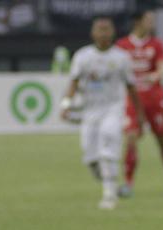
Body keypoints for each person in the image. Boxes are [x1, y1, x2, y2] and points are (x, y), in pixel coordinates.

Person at [61, 16, 142, 210]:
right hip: (90, 111)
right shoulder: (83, 56)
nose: (104, 33)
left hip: (113, 109)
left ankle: (109, 194)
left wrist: (139, 114)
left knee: (108, 144)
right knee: (90, 156)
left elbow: (131, 87)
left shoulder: (121, 58)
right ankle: (104, 176)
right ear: (93, 33)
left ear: (113, 32)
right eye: (100, 29)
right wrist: (65, 104)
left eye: (107, 29)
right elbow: (73, 82)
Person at [116, 9, 163, 197]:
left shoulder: (156, 45)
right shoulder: (122, 45)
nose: (151, 23)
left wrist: (156, 75)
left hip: (153, 100)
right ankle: (128, 183)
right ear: (138, 22)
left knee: (162, 141)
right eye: (148, 19)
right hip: (133, 101)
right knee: (131, 138)